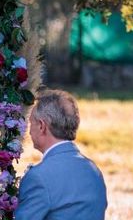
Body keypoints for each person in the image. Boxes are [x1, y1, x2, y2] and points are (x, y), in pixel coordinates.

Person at [15, 89, 107, 220]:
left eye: (31, 122)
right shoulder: (93, 170)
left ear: (42, 126)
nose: (28, 130)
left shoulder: (39, 177)